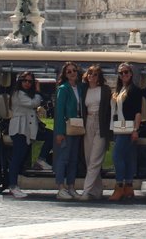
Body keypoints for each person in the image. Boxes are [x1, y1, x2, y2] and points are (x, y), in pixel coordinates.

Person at [6, 71, 51, 199]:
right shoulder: (18, 94)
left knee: (50, 136)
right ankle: (13, 186)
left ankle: (41, 160)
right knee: (17, 157)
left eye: (30, 81)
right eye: (25, 81)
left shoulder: (24, 94)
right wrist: (37, 91)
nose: (27, 83)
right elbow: (33, 103)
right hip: (20, 128)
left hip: (29, 127)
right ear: (20, 82)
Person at [109, 62, 143, 201]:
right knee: (127, 157)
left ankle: (119, 185)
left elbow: (137, 112)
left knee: (117, 156)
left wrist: (135, 129)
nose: (124, 75)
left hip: (128, 126)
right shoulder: (120, 89)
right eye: (121, 73)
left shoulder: (134, 90)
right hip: (119, 125)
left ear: (131, 73)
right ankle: (129, 186)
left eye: (126, 72)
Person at [80, 64, 112, 200]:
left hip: (101, 124)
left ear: (99, 77)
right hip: (88, 123)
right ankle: (97, 191)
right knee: (89, 160)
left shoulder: (104, 90)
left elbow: (109, 110)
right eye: (90, 74)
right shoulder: (84, 89)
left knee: (95, 160)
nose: (92, 77)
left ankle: (86, 191)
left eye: (95, 74)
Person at [53, 62, 84, 200]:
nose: (72, 73)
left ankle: (71, 186)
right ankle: (60, 187)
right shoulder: (63, 89)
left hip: (77, 126)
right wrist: (59, 132)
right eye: (69, 72)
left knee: (73, 158)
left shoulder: (80, 88)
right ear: (65, 75)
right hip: (66, 127)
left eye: (74, 71)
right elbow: (59, 112)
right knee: (63, 158)